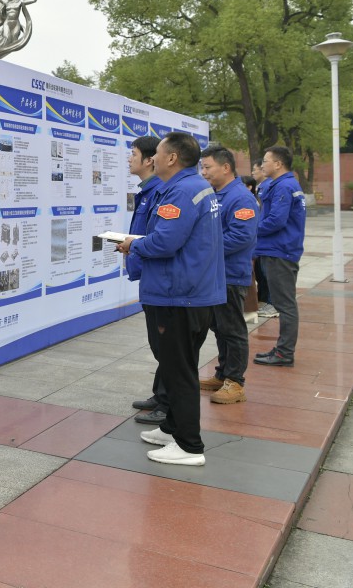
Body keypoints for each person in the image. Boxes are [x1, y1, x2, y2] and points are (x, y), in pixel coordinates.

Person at [116, 133, 224, 466]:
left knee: (178, 371)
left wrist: (133, 245)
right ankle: (172, 429)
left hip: (178, 296)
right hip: (191, 293)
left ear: (172, 158)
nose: (153, 159)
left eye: (158, 153)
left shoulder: (181, 191)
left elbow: (164, 242)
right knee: (181, 365)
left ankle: (189, 446)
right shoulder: (194, 187)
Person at [199, 147, 259, 403]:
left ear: (226, 168)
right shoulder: (216, 195)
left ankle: (235, 382)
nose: (204, 172)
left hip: (231, 275)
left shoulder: (241, 197)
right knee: (220, 327)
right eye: (202, 167)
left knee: (233, 329)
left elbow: (241, 237)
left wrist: (204, 248)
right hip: (216, 275)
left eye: (207, 167)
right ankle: (223, 374)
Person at [123, 136, 167, 424]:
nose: (129, 158)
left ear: (150, 160)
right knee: (159, 343)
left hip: (160, 279)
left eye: (134, 153)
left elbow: (161, 239)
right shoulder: (148, 191)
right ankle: (161, 394)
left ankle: (168, 403)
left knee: (165, 345)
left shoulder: (160, 192)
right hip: (149, 274)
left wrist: (135, 246)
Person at [253, 146, 307, 366]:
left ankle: (285, 353)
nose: (262, 165)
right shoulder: (284, 184)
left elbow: (276, 220)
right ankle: (283, 349)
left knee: (284, 305)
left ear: (278, 164)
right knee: (283, 303)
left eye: (265, 161)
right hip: (278, 249)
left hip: (280, 251)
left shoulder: (283, 186)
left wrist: (251, 229)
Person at [251, 160, 276, 318]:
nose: (253, 173)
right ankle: (265, 301)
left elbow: (273, 217)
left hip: (267, 239)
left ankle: (271, 303)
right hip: (262, 238)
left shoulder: (268, 186)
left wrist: (256, 228)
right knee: (262, 274)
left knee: (268, 275)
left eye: (255, 170)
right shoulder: (263, 186)